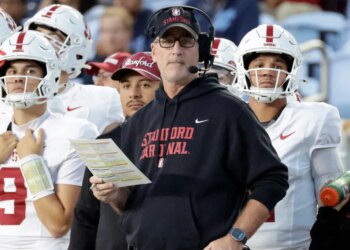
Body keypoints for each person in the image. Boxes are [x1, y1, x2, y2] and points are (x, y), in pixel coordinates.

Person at [90, 6, 289, 250]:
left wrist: (235, 237)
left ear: (200, 51)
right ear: (153, 51)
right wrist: (113, 194)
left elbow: (273, 179)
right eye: (167, 41)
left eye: (186, 41)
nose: (176, 50)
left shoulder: (229, 110)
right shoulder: (135, 124)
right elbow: (128, 204)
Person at [235, 24, 342, 249]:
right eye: (259, 64)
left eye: (277, 65)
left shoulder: (314, 119)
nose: (267, 71)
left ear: (291, 71)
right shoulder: (226, 121)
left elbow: (332, 200)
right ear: (243, 68)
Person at [0, 30, 99, 249]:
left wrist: (31, 162)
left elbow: (59, 225)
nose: (17, 77)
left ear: (50, 76)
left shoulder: (77, 131)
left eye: (30, 70)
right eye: (12, 70)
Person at [69, 52, 161, 250]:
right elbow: (85, 217)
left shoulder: (183, 140)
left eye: (145, 85)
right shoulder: (105, 144)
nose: (133, 93)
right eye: (126, 86)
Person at [23, 4, 125, 135]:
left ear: (76, 48)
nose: (40, 45)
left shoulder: (104, 99)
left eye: (52, 39)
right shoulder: (9, 99)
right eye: (36, 37)